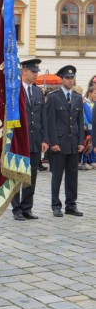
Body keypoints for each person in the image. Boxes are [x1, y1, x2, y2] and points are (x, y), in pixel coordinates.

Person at [11, 59, 49, 221]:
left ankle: (27, 207)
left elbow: (42, 117)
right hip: (18, 140)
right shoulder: (14, 91)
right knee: (17, 175)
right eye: (33, 71)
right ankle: (16, 208)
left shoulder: (39, 92)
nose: (35, 74)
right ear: (23, 71)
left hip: (34, 139)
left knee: (31, 175)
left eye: (36, 72)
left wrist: (44, 138)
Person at [46, 65, 85, 217]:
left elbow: (80, 122)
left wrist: (81, 141)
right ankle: (56, 205)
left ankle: (71, 205)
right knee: (57, 175)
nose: (70, 80)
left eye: (72, 78)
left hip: (74, 143)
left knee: (72, 176)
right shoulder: (54, 97)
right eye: (67, 78)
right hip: (59, 143)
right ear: (61, 79)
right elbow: (50, 122)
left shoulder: (77, 97)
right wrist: (53, 142)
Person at [81, 85, 96, 170]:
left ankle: (93, 160)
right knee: (88, 145)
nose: (95, 94)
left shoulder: (93, 102)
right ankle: (85, 161)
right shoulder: (86, 103)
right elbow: (88, 116)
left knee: (93, 144)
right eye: (94, 93)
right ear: (90, 93)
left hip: (93, 126)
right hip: (89, 126)